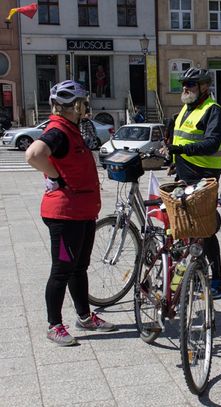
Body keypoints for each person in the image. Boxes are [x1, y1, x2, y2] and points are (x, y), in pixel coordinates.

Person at [25, 80, 116, 347]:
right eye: (84, 103)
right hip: (65, 217)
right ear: (74, 105)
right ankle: (54, 325)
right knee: (62, 270)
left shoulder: (71, 129)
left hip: (82, 214)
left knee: (79, 268)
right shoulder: (58, 131)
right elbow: (33, 154)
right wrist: (57, 177)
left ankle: (85, 317)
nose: (86, 108)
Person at [163, 68, 221, 299]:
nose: (185, 88)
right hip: (184, 174)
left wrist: (181, 150)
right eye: (184, 84)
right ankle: (188, 272)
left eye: (190, 84)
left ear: (204, 86)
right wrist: (174, 159)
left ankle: (218, 279)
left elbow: (211, 143)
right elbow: (180, 139)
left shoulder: (213, 111)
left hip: (205, 176)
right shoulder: (185, 110)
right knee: (180, 226)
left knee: (205, 229)